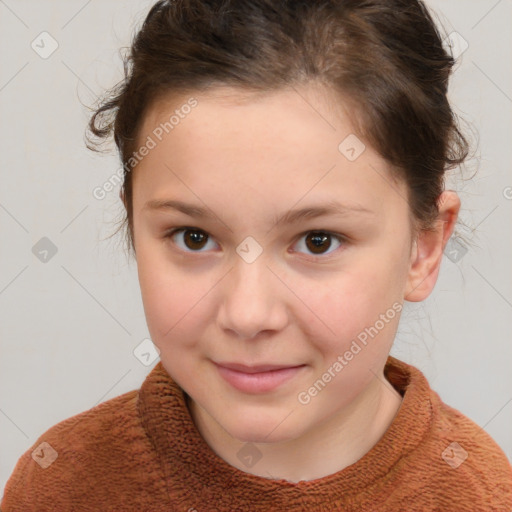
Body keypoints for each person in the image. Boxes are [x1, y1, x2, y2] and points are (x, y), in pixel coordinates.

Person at [2, 0, 511, 510]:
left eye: (318, 241)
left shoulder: (483, 498)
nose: (247, 315)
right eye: (193, 237)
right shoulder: (58, 488)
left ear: (424, 249)